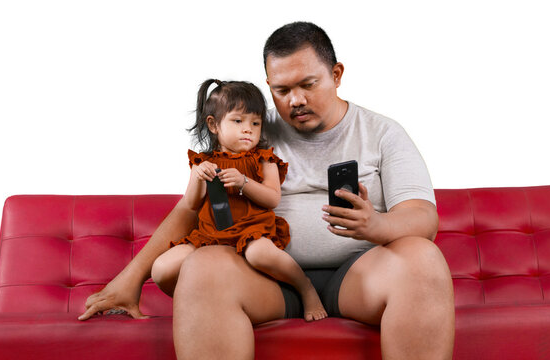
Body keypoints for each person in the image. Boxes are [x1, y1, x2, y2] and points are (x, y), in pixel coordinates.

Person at [79, 21, 455, 359]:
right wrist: (130, 279)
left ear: (336, 74)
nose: (296, 101)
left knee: (422, 257)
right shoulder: (251, 130)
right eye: (282, 90)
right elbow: (191, 209)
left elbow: (423, 217)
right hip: (265, 278)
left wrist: (376, 226)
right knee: (203, 266)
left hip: (362, 276)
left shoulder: (383, 133)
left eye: (308, 85)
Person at [150, 78, 327, 322]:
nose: (248, 129)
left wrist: (245, 183)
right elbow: (191, 203)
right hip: (210, 238)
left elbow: (273, 198)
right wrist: (198, 176)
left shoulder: (263, 159)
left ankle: (305, 287)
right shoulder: (203, 162)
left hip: (252, 232)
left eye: (255, 123)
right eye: (238, 121)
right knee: (161, 268)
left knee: (260, 255)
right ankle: (199, 299)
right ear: (213, 125)